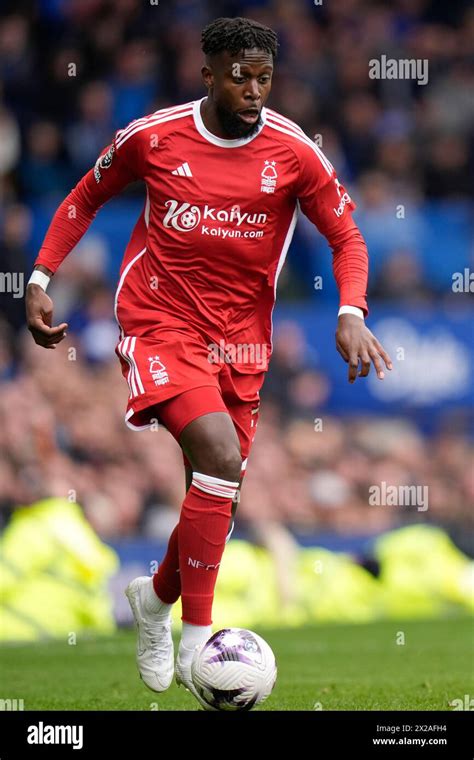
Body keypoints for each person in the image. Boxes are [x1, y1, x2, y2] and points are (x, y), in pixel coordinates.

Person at [25, 17, 392, 709]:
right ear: (208, 74)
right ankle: (198, 639)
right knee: (220, 460)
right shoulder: (154, 136)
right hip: (159, 321)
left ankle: (155, 599)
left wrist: (351, 312)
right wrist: (40, 278)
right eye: (239, 75)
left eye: (264, 78)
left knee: (214, 502)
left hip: (243, 345)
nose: (253, 90)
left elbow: (346, 233)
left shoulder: (294, 153)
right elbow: (84, 197)